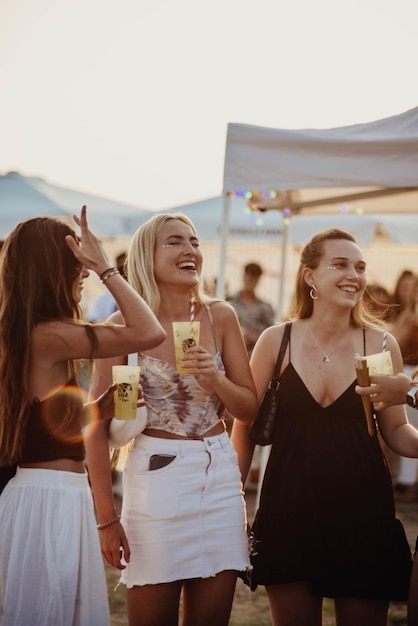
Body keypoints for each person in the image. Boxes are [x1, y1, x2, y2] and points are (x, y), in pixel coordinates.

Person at [232, 228, 418, 626]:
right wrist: (232, 502)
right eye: (340, 264)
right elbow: (245, 425)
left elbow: (397, 431)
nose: (354, 274)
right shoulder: (275, 341)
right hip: (288, 508)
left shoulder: (381, 345)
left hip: (363, 511)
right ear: (310, 276)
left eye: (360, 267)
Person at [85, 212, 258, 626]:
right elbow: (92, 429)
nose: (190, 250)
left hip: (218, 475)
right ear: (148, 256)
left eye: (195, 242)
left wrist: (214, 378)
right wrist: (107, 520)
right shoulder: (120, 327)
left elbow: (249, 409)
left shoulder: (221, 316)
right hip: (154, 474)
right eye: (175, 242)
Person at [0, 207, 165, 626]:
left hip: (43, 493)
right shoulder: (52, 335)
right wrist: (108, 269)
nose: (85, 275)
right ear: (53, 268)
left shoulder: (29, 332)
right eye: (77, 264)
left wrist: (94, 410)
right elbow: (149, 332)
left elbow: (38, 425)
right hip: (51, 498)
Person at [389, 273, 418, 499]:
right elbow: (394, 342)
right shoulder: (408, 316)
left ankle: (407, 482)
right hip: (406, 373)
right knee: (407, 427)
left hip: (410, 374)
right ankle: (406, 482)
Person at [227, 261, 275, 356]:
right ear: (243, 277)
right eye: (249, 279)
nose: (251, 283)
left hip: (255, 356)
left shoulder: (265, 308)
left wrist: (255, 337)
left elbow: (272, 337)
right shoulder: (229, 302)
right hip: (231, 355)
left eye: (254, 280)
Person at [86, 250, 127, 321]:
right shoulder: (103, 299)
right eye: (122, 270)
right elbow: (92, 321)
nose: (126, 275)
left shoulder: (145, 297)